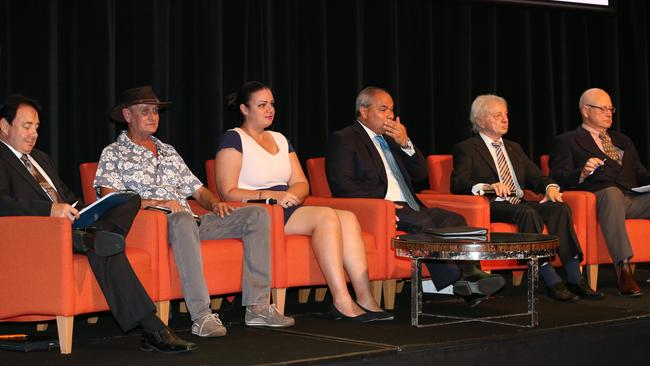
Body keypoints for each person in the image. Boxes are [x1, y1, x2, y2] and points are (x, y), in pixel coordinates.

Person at [0, 94, 196, 353]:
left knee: (128, 199)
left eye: (37, 127)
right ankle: (153, 328)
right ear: (4, 125)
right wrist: (49, 210)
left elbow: (67, 197)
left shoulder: (41, 158)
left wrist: (88, 211)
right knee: (105, 246)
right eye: (26, 126)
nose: (34, 133)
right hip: (40, 233)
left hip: (73, 226)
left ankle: (96, 234)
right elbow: (4, 204)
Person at [94, 85, 294, 336]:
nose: (153, 117)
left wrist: (214, 203)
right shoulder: (114, 153)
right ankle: (201, 315)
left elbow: (199, 191)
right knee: (180, 218)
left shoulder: (168, 151)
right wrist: (155, 203)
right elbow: (109, 199)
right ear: (127, 115)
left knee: (256, 215)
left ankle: (258, 307)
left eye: (155, 111)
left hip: (191, 221)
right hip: (152, 228)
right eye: (145, 111)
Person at [215, 81, 392, 322]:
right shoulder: (234, 139)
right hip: (258, 209)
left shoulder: (279, 138)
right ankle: (341, 300)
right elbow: (228, 191)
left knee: (349, 218)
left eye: (272, 104)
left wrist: (293, 195)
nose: (270, 110)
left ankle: (365, 297)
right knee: (326, 216)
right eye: (262, 105)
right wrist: (272, 197)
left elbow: (301, 181)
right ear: (245, 109)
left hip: (287, 205)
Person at [325, 86, 505, 306]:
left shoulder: (392, 138)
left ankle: (469, 276)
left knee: (454, 220)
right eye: (383, 109)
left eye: (391, 110)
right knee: (426, 223)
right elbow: (341, 185)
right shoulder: (345, 139)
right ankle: (457, 282)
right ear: (363, 111)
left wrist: (405, 143)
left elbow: (420, 175)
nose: (390, 115)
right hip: (379, 208)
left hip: (412, 206)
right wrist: (381, 205)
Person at [450, 94, 604, 301]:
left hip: (520, 203)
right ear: (480, 121)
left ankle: (575, 277)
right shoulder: (467, 148)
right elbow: (458, 183)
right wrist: (486, 187)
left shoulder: (514, 147)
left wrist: (549, 187)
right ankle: (549, 278)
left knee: (559, 207)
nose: (505, 119)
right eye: (497, 116)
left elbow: (535, 176)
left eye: (505, 114)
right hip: (493, 205)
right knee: (527, 211)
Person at [550, 87, 650, 297]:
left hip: (632, 199)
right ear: (586, 110)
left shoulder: (623, 140)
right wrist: (582, 172)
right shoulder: (568, 141)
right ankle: (623, 269)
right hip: (598, 201)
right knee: (611, 193)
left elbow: (640, 173)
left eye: (611, 109)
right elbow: (557, 175)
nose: (609, 113)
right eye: (603, 109)